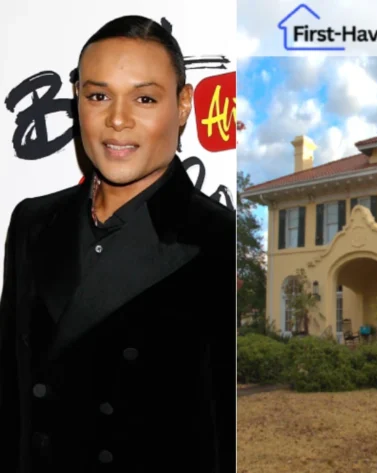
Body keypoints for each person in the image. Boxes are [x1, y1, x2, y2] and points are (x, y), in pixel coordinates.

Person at [0, 15, 234, 473]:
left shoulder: (218, 242)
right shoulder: (31, 222)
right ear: (77, 99)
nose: (118, 119)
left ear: (184, 105)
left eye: (144, 98)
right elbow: (10, 395)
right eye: (98, 95)